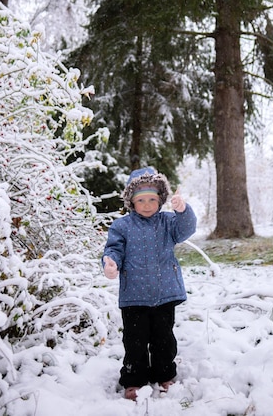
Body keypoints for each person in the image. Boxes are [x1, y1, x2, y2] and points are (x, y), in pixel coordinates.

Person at [102, 166, 197, 401]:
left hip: (164, 294)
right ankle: (134, 380)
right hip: (134, 297)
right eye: (141, 199)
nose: (146, 205)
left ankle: (164, 375)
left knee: (163, 339)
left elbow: (186, 229)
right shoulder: (122, 226)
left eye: (152, 199)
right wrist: (110, 262)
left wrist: (183, 211)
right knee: (135, 343)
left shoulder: (168, 222)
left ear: (161, 199)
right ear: (131, 201)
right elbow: (113, 249)